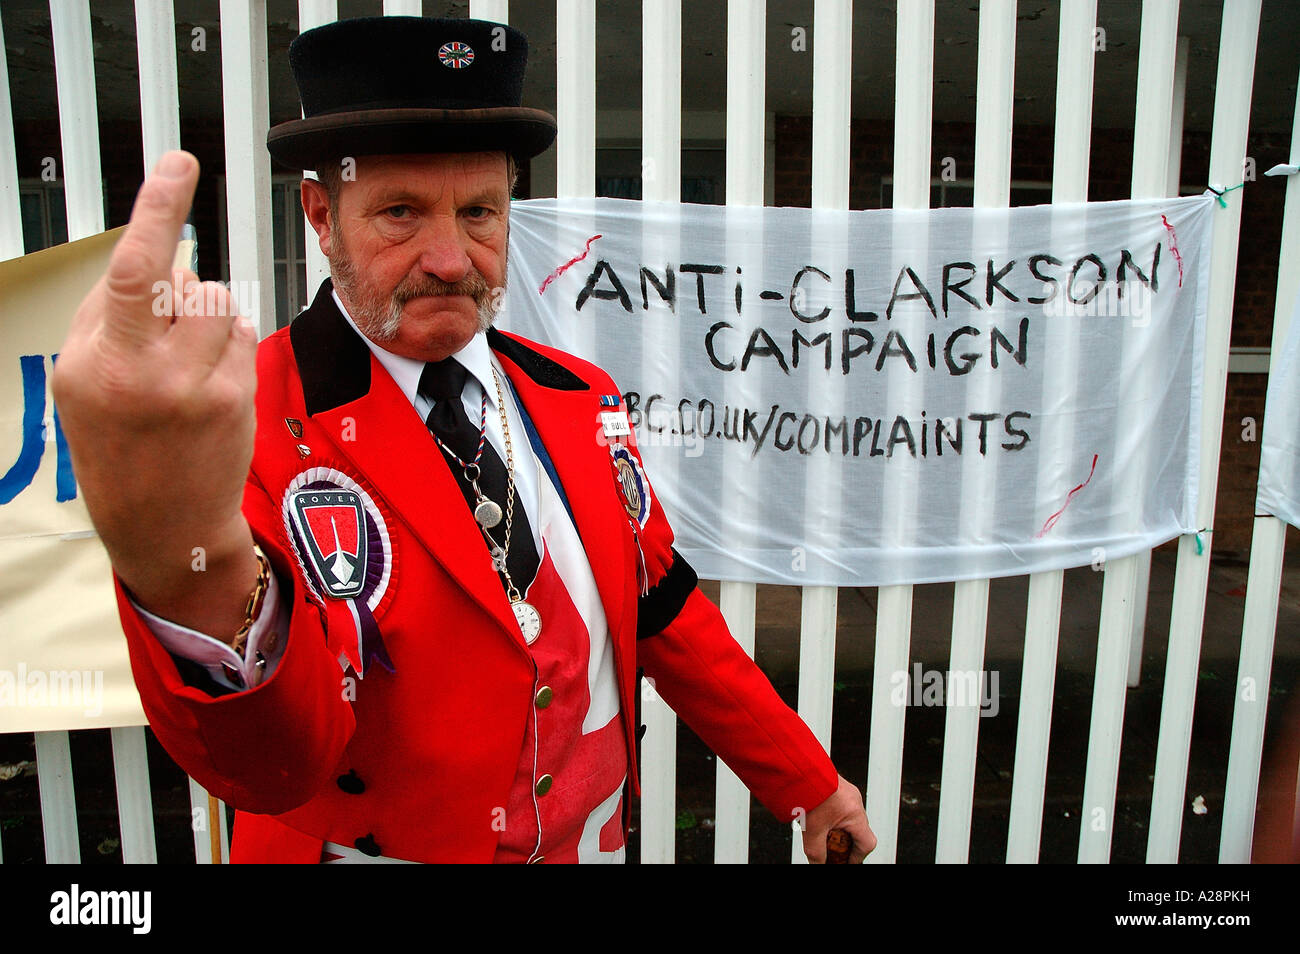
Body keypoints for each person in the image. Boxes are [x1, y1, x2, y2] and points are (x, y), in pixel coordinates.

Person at [53, 15, 875, 863]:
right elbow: (272, 763)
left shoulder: (576, 394)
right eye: (401, 212)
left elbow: (663, 613)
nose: (450, 258)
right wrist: (179, 562)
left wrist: (807, 782)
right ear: (320, 215)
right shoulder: (245, 421)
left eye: (479, 211)